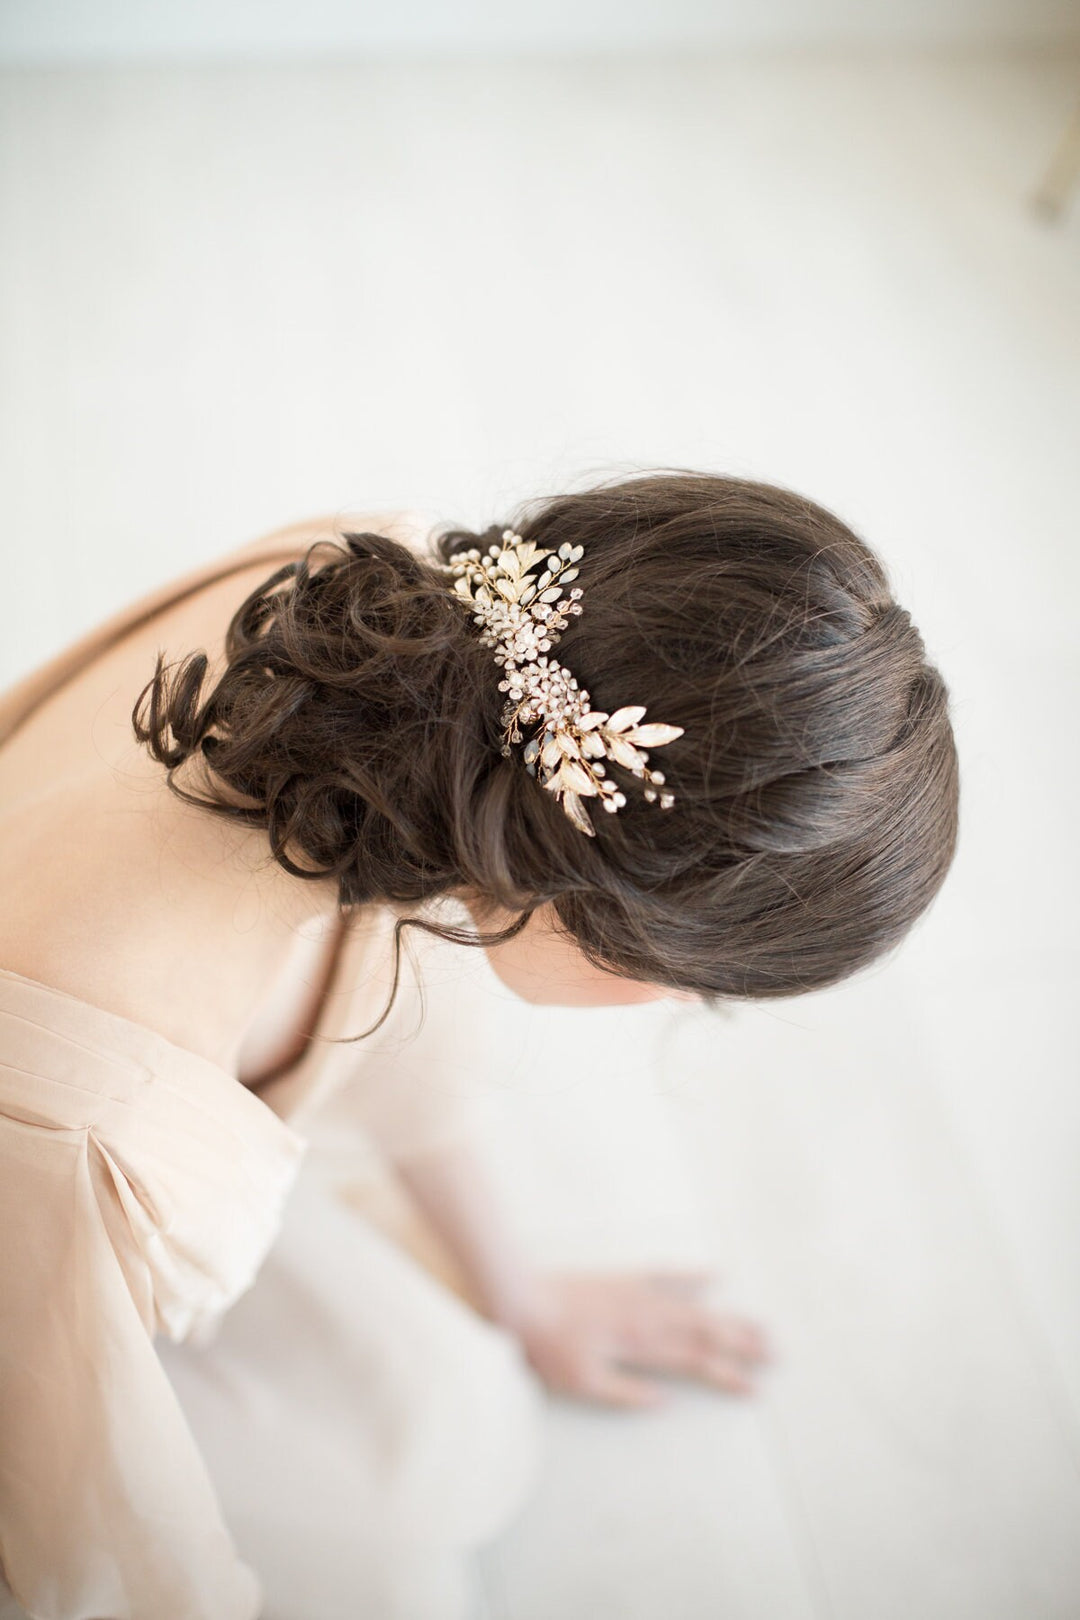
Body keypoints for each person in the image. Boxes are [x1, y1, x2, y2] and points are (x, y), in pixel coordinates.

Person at [0, 470, 959, 1619]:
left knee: (451, 1434)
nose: (666, 1006)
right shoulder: (96, 1122)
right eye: (695, 987)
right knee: (402, 1564)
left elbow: (409, 1022)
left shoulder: (392, 623)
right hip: (38, 1203)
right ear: (610, 912)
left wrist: (522, 1297)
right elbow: (100, 1557)